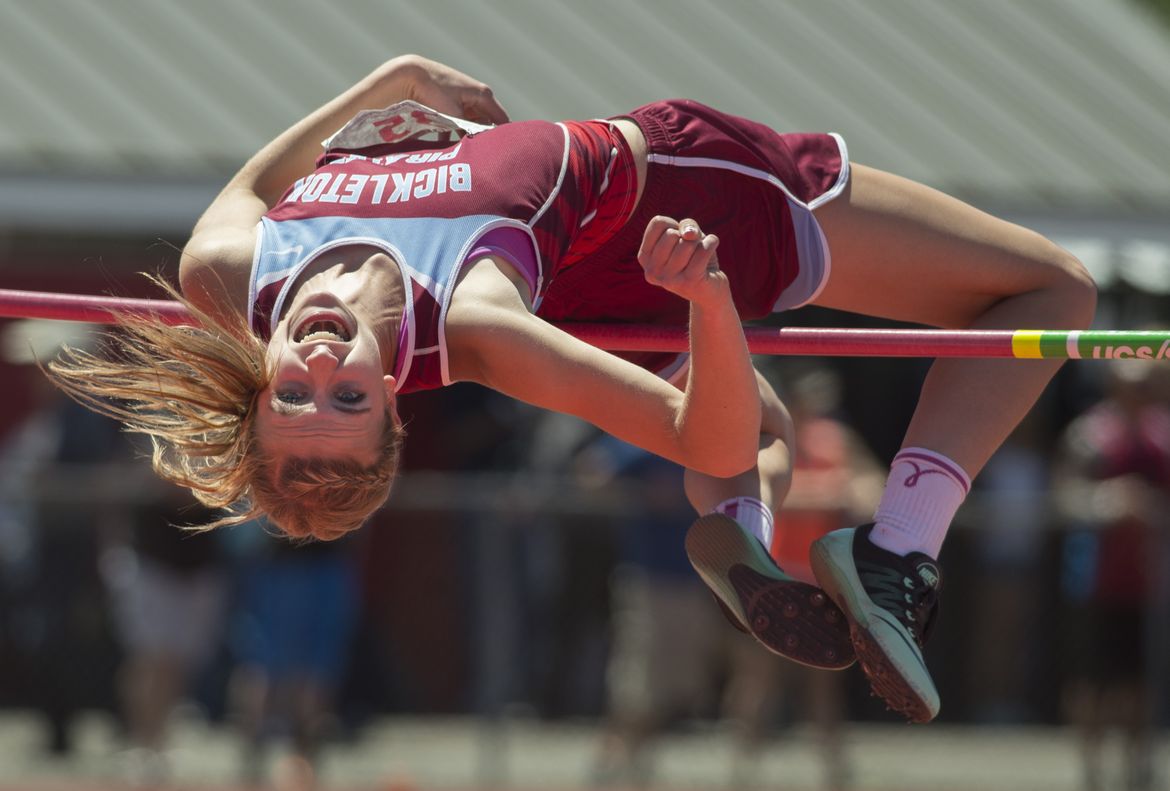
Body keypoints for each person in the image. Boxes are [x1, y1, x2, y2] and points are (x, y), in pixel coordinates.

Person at [46, 54, 1097, 722]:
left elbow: (251, 187)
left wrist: (385, 84)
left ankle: (736, 521)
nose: (322, 372)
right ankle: (901, 549)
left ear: (260, 386)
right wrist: (710, 301)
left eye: (297, 399)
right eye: (350, 402)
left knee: (762, 438)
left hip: (584, 266)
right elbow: (691, 426)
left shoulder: (229, 275)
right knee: (1050, 286)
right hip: (689, 197)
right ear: (391, 407)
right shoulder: (473, 317)